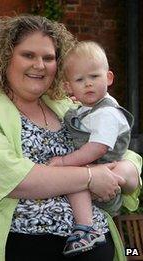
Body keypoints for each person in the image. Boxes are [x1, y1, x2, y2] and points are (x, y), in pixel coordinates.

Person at [0, 15, 141, 261]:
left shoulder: (66, 107)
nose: (40, 65)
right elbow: (14, 179)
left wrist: (121, 173)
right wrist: (91, 177)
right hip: (18, 248)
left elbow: (124, 154)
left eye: (48, 58)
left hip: (99, 243)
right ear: (4, 58)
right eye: (28, 55)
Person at [48, 41, 134, 256]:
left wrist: (64, 161)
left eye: (94, 77)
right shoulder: (85, 110)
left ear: (109, 78)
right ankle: (85, 225)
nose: (88, 84)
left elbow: (97, 148)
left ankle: (87, 228)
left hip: (105, 176)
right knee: (75, 179)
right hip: (97, 174)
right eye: (80, 80)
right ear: (69, 87)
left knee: (75, 178)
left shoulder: (106, 113)